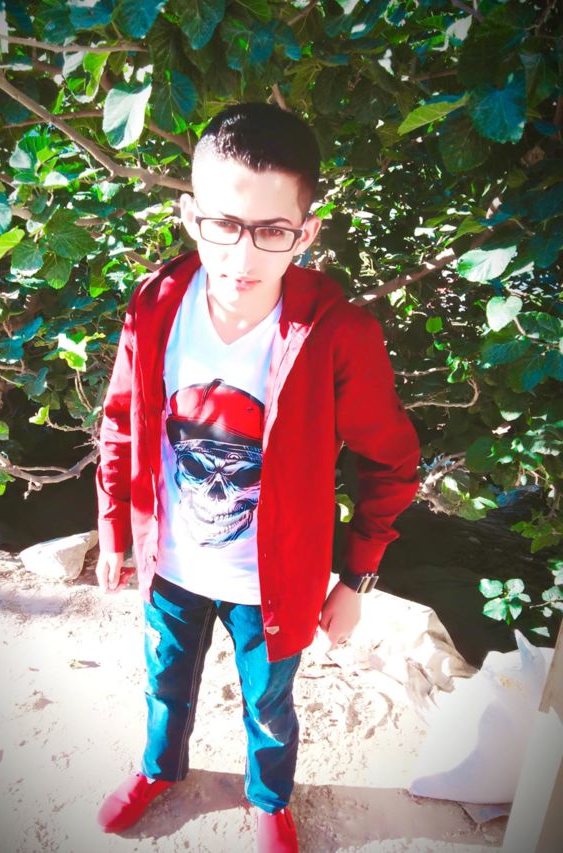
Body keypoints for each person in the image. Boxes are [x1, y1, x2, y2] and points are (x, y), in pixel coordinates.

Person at [94, 102, 420, 851]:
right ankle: (159, 768)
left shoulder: (338, 334)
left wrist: (357, 577)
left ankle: (269, 798)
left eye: (272, 230)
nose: (242, 257)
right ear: (190, 215)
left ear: (306, 232)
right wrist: (115, 529)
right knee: (164, 679)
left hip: (273, 581)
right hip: (172, 565)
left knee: (270, 706)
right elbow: (119, 421)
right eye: (223, 224)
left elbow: (391, 460)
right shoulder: (156, 304)